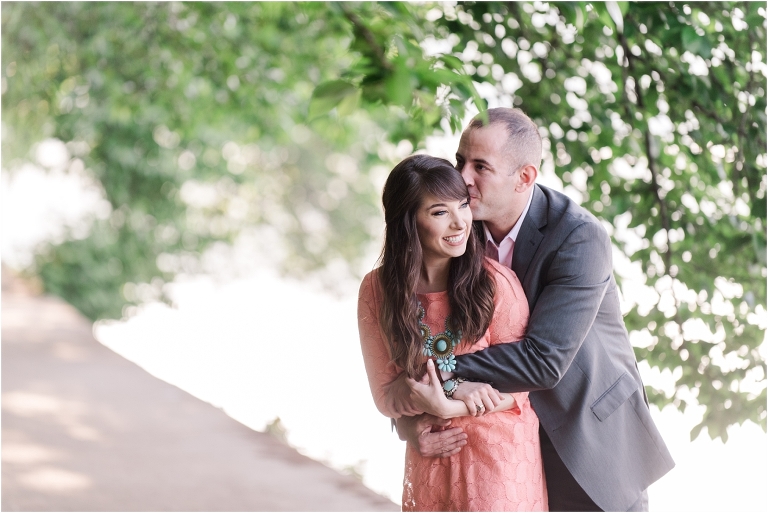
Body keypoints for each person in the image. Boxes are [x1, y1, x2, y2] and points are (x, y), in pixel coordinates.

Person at [392, 108, 675, 512]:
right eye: (459, 162)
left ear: (524, 177)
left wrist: (441, 375)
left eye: (480, 167)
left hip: (587, 440)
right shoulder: (455, 229)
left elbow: (543, 361)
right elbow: (418, 330)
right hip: (497, 450)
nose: (462, 178)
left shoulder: (579, 237)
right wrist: (410, 420)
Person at [357, 154, 548, 511]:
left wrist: (445, 403)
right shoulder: (376, 290)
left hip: (498, 465)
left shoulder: (495, 284)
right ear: (407, 222)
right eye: (439, 212)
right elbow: (386, 395)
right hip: (432, 457)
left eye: (462, 204)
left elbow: (522, 390)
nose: (460, 222)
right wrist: (444, 396)